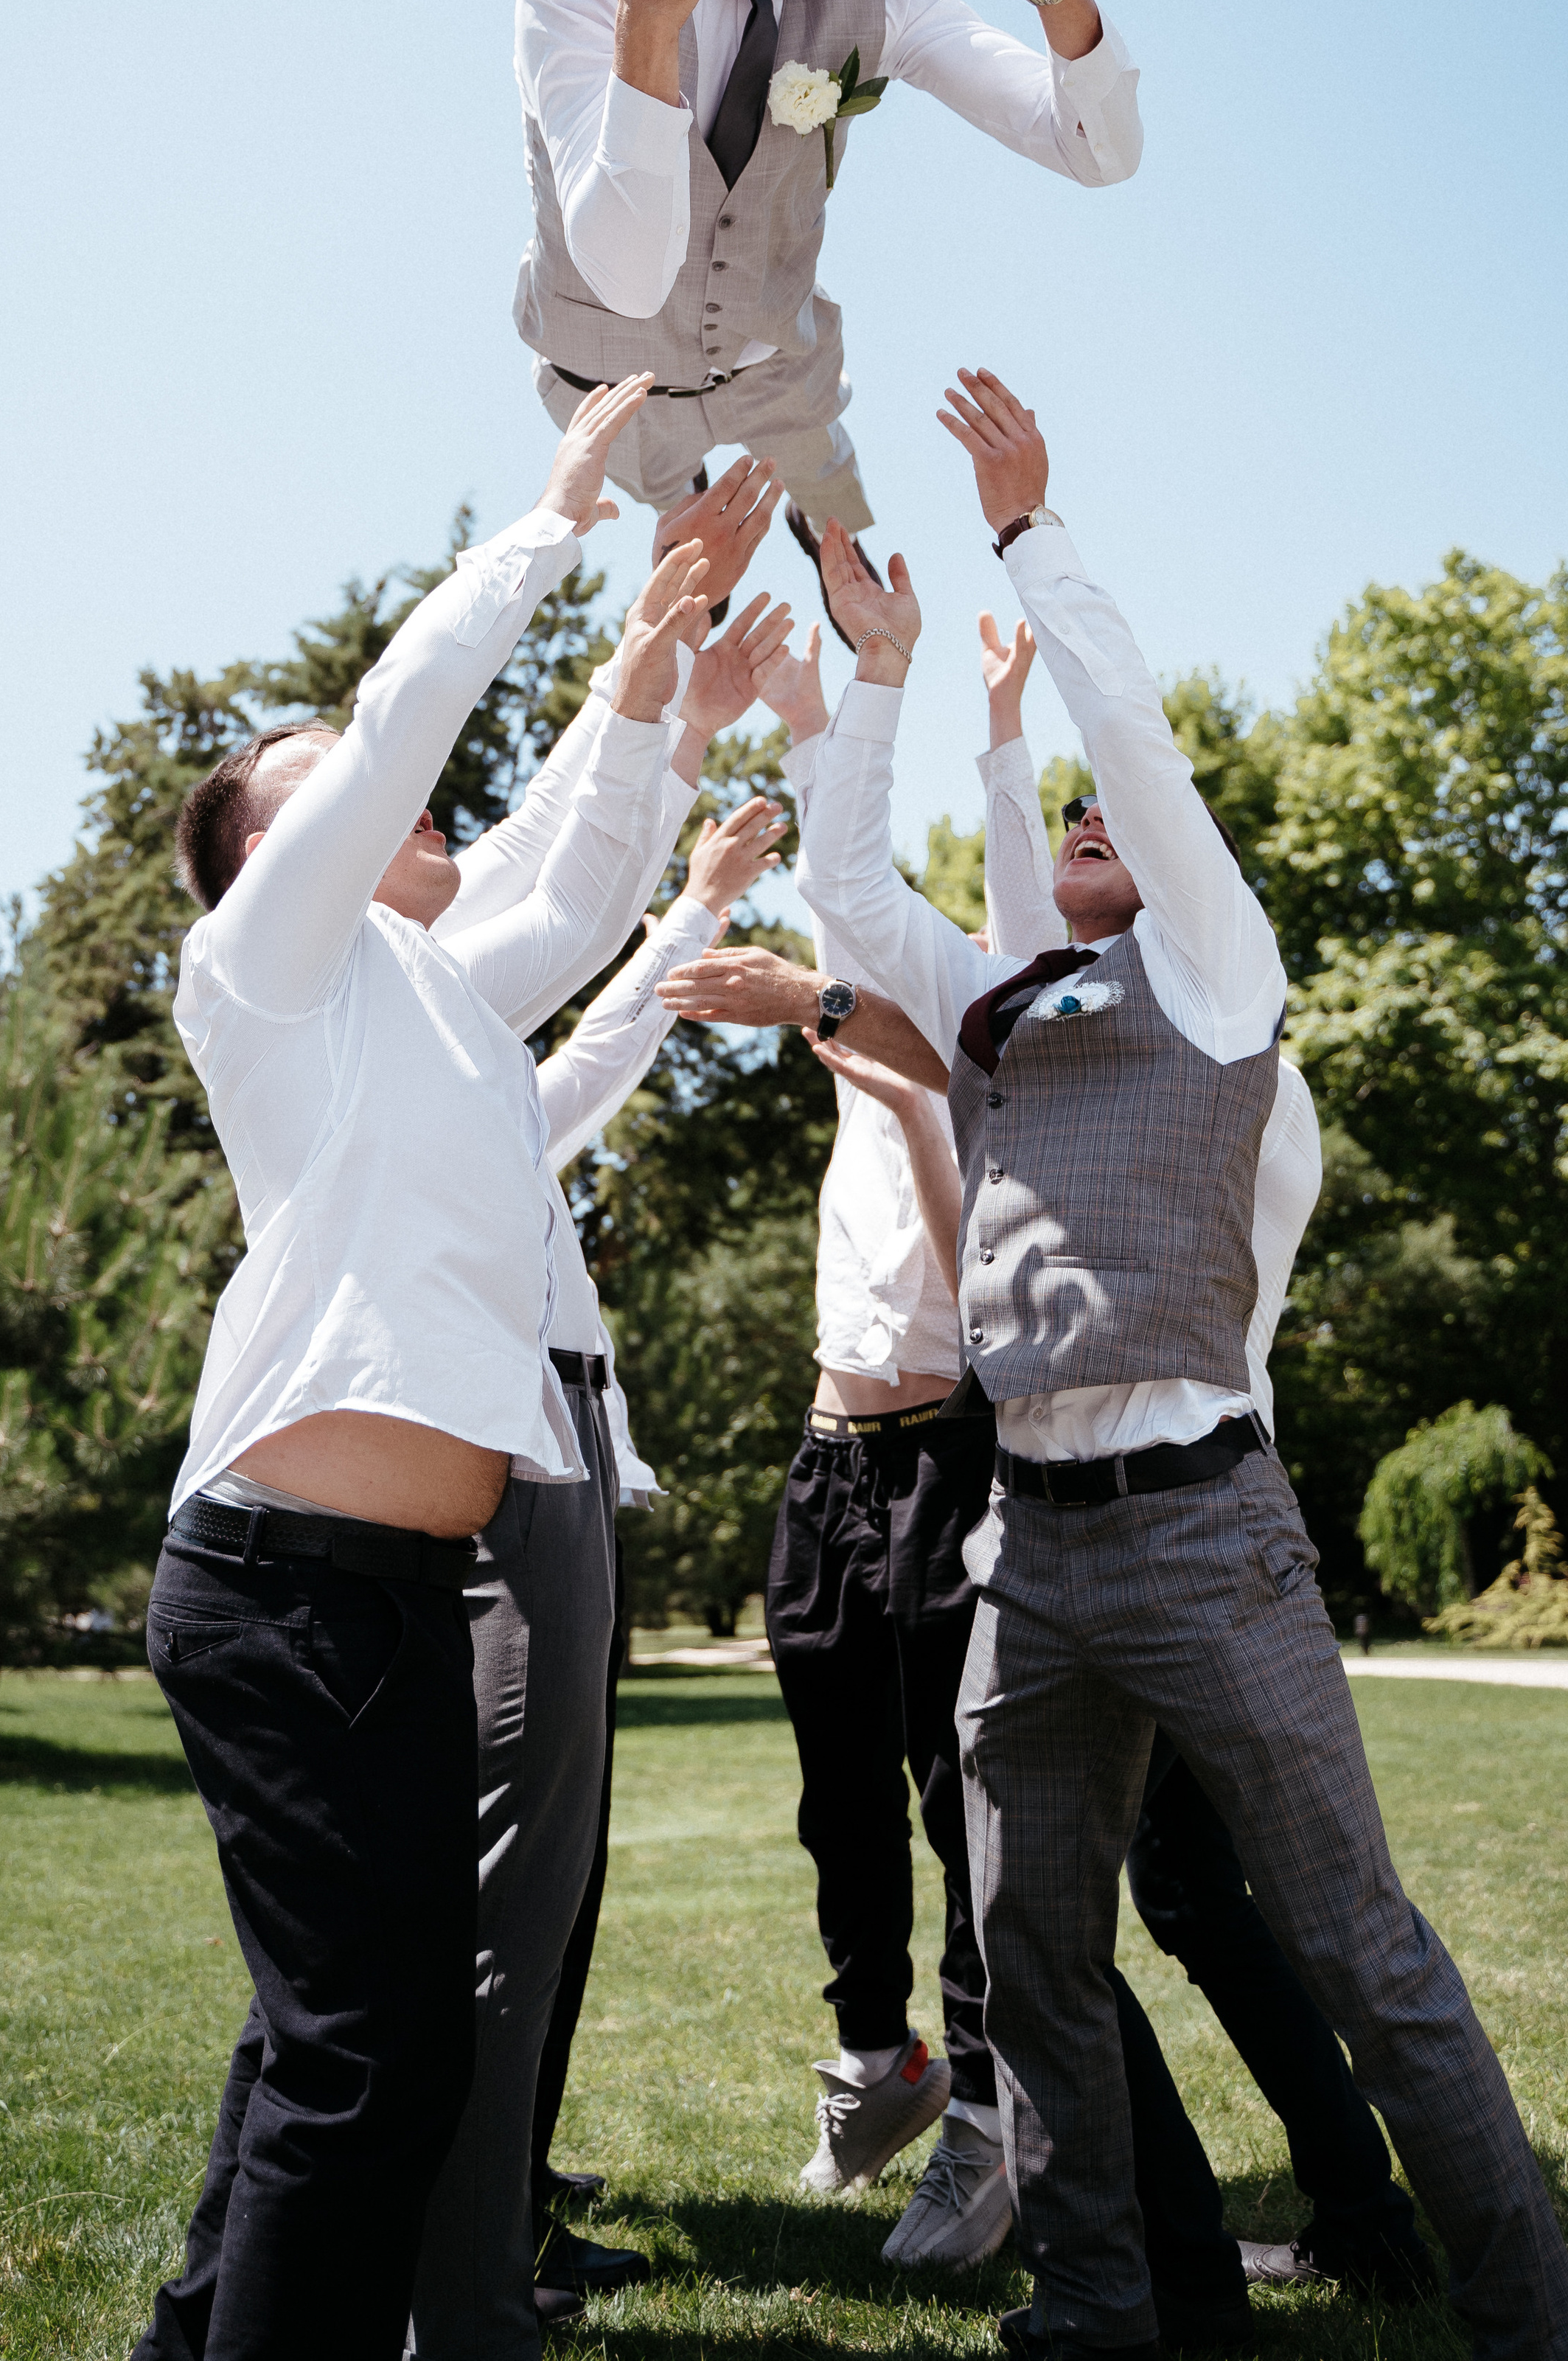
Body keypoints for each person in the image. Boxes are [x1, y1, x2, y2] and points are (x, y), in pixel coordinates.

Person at [668, 366, 1568, 2360]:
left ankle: (1532, 2316)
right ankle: (1094, 2310)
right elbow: (852, 899)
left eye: (1108, 823)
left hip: (1199, 1531)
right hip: (1032, 1551)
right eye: (1066, 817)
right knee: (1033, 1960)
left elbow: (1136, 748)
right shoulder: (1014, 1005)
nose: (1088, 820)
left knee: (1361, 1953)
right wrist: (884, 676)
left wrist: (1027, 534)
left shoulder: (1222, 982)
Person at [131, 377, 700, 2361]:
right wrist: (553, 521)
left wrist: (654, 667)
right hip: (280, 1590)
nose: (416, 812)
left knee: (344, 2047)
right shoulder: (264, 977)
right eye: (336, 801)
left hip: (386, 1595)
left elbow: (587, 877)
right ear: (277, 857)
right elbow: (394, 737)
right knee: (366, 2063)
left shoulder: (439, 1000)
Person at [408, 595, 795, 2361]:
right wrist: (668, 724)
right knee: (512, 1874)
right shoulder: (400, 1020)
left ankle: (502, 2214)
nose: (438, 830)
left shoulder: (471, 1070)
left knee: (547, 1874)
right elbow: (559, 891)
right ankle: (465, 2285)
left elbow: (589, 1040)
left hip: (557, 1437)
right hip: (513, 1447)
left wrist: (691, 852)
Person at [512, 0, 1142, 562]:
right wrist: (645, 23)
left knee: (826, 477)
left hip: (777, 364)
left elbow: (1097, 152)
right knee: (668, 498)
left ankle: (823, 528)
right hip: (608, 377)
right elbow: (627, 280)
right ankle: (683, 509)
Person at [731, 611, 1054, 2273]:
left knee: (952, 1797)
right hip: (826, 1453)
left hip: (949, 1450)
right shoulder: (866, 1016)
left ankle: (989, 2112)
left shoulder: (979, 1066)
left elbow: (966, 1275)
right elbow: (837, 887)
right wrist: (811, 708)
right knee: (835, 1794)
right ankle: (880, 2062)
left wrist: (907, 1092)